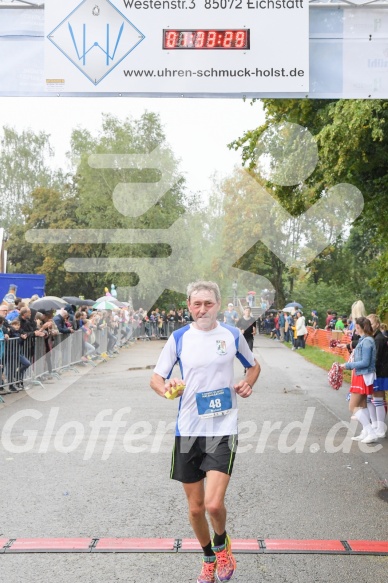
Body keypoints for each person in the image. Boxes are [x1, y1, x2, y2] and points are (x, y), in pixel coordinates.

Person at [150, 281, 260, 583]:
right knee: (196, 508)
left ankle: (222, 545)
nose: (202, 309)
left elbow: (253, 366)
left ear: (218, 304)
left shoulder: (232, 335)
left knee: (213, 504)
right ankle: (208, 557)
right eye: (197, 304)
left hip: (223, 428)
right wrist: (167, 388)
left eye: (208, 304)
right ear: (188, 305)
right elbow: (156, 378)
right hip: (188, 430)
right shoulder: (179, 338)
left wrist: (248, 382)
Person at [340, 317, 377, 444]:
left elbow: (365, 362)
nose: (354, 330)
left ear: (359, 327)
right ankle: (366, 432)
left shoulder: (367, 341)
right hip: (361, 375)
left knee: (353, 406)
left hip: (362, 375)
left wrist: (348, 365)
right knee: (362, 405)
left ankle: (370, 432)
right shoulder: (365, 340)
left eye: (355, 327)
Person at [366, 314, 387, 439]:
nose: (370, 326)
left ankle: (381, 427)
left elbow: (377, 358)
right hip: (374, 372)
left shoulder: (379, 339)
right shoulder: (373, 337)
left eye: (372, 324)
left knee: (378, 399)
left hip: (379, 373)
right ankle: (374, 424)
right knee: (370, 398)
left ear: (377, 324)